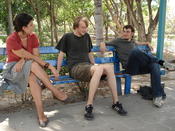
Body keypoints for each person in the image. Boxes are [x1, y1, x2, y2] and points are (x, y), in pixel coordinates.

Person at [0, 13, 68, 127]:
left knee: (32, 77)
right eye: (31, 25)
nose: (33, 26)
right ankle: (54, 90)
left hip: (29, 68)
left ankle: (41, 115)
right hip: (14, 70)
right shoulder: (12, 39)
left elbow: (35, 56)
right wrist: (49, 66)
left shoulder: (33, 37)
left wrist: (23, 59)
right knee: (32, 64)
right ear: (24, 28)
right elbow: (31, 57)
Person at [56, 16, 127, 120]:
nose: (85, 30)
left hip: (87, 67)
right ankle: (89, 105)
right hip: (75, 68)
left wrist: (94, 64)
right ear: (76, 27)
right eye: (82, 27)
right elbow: (61, 55)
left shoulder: (86, 37)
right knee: (99, 69)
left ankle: (116, 102)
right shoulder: (67, 37)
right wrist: (57, 71)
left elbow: (89, 53)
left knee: (109, 68)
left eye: (86, 27)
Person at [100, 25, 169, 108]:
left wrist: (147, 43)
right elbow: (104, 42)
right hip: (130, 68)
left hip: (139, 67)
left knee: (154, 66)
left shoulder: (133, 42)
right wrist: (102, 44)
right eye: (124, 31)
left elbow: (140, 43)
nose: (125, 33)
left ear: (132, 33)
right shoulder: (117, 41)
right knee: (136, 51)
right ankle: (161, 62)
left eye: (128, 32)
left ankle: (157, 96)